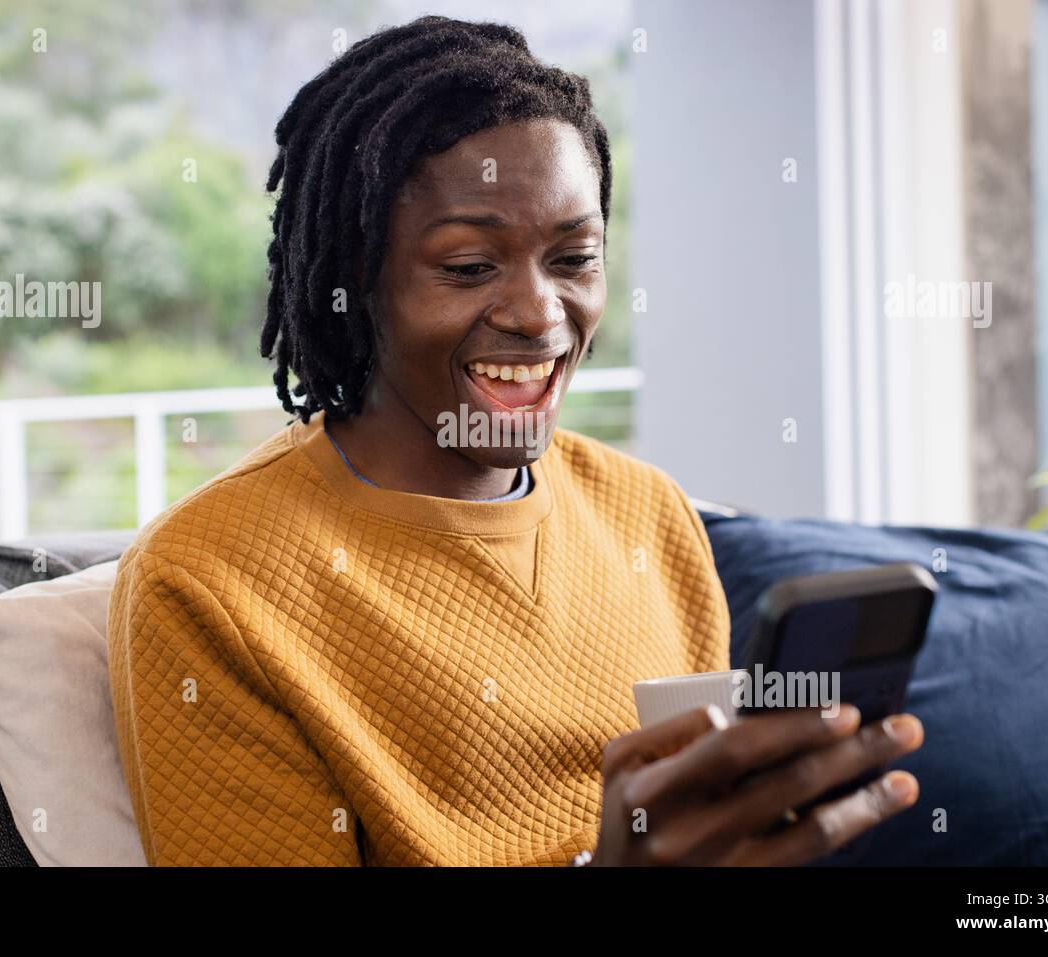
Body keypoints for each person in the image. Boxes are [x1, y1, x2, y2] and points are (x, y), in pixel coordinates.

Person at [105, 14, 924, 866]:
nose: (539, 316)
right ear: (355, 279)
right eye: (468, 267)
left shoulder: (650, 514)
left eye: (574, 259)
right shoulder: (206, 581)